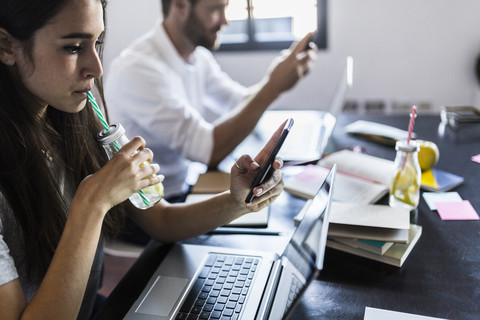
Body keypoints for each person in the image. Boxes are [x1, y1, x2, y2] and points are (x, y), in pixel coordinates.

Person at [0, 0, 284, 319]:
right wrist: (92, 204)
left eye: (98, 43)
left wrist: (237, 201)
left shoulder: (77, 121)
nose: (97, 67)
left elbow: (161, 222)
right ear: (6, 45)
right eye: (73, 47)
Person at [105, 0, 317, 201]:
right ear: (180, 5)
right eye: (215, 9)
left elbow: (239, 102)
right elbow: (209, 151)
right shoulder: (138, 70)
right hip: (156, 206)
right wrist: (273, 86)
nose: (225, 21)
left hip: (188, 184)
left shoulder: (197, 57)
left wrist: (280, 75)